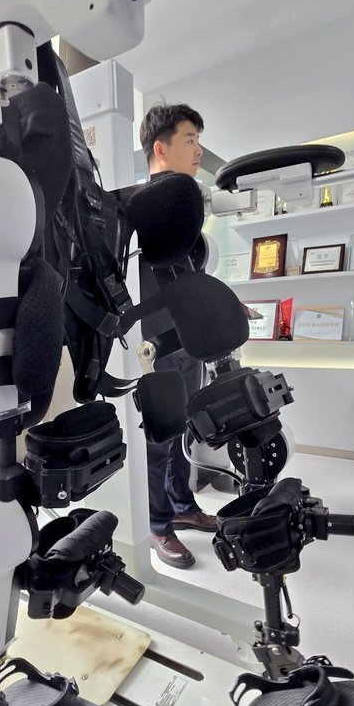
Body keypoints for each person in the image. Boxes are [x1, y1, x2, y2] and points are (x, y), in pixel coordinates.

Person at [138, 103, 218, 569]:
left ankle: (182, 506)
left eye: (199, 140)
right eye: (190, 139)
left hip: (187, 342)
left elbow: (187, 279)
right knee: (158, 439)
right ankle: (157, 525)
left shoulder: (184, 213)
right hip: (155, 347)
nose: (199, 150)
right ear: (160, 148)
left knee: (184, 433)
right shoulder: (139, 210)